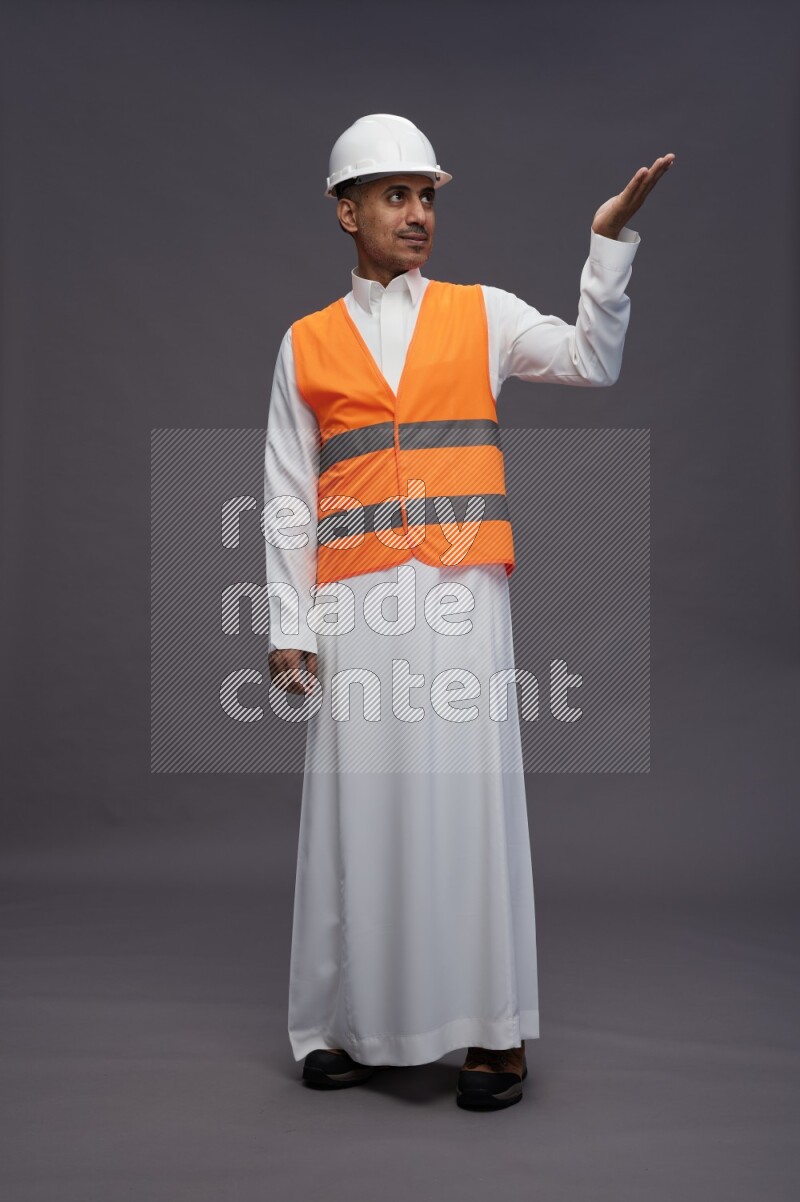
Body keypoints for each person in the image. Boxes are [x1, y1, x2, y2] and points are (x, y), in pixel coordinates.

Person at [263, 114, 674, 1110]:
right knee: (355, 809)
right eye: (395, 194)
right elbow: (285, 488)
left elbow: (589, 360)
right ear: (344, 209)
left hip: (457, 598)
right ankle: (342, 1025)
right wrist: (288, 625)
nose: (417, 213)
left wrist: (605, 243)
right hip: (353, 598)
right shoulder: (304, 343)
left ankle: (493, 1032)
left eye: (428, 195)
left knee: (466, 801)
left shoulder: (480, 313)